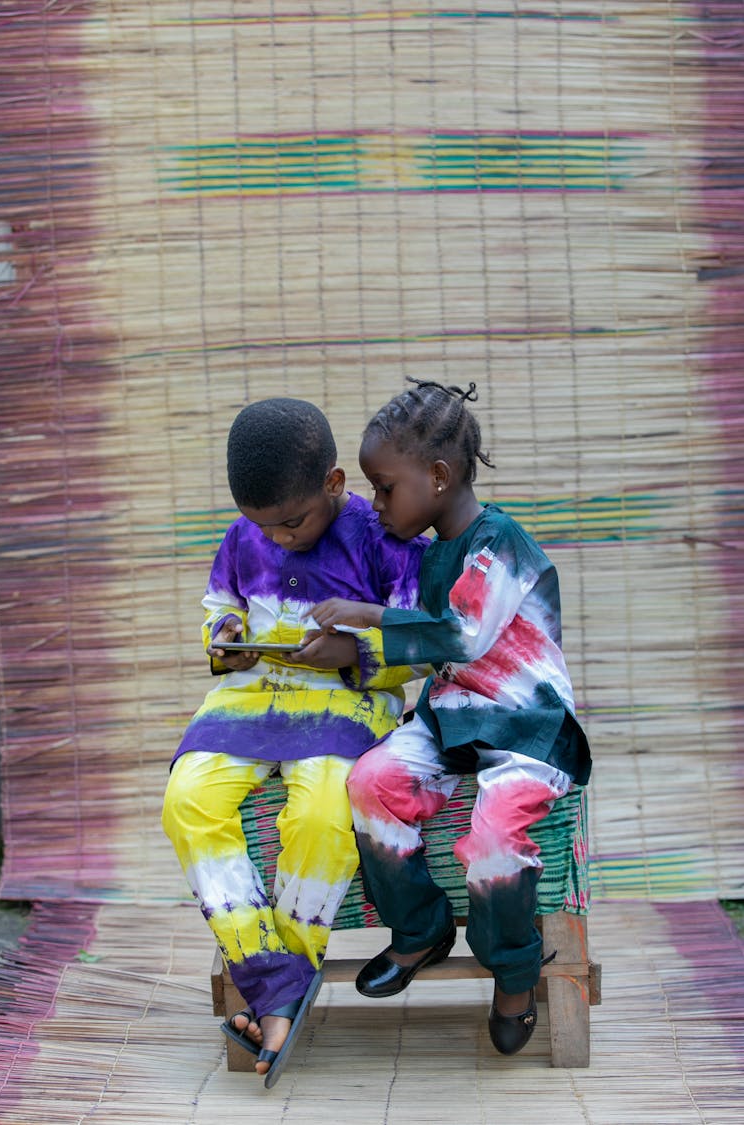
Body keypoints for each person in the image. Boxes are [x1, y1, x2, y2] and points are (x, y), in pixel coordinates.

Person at [311, 378, 592, 1058]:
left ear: (437, 476)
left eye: (384, 487)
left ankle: (514, 973)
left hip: (526, 722)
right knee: (370, 781)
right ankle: (418, 930)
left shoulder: (503, 546)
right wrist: (345, 653)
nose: (375, 504)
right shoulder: (433, 547)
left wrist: (369, 616)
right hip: (456, 714)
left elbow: (460, 637)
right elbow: (435, 655)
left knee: (496, 835)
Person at [161, 397, 427, 1087]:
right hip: (247, 701)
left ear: (335, 485)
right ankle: (275, 977)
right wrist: (222, 642)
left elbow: (422, 642)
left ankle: (275, 982)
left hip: (348, 703)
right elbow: (221, 606)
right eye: (261, 525)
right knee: (186, 798)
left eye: (291, 521)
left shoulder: (384, 536)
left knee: (319, 812)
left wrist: (352, 652)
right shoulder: (242, 536)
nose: (276, 538)